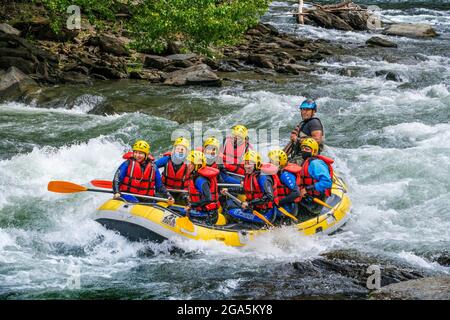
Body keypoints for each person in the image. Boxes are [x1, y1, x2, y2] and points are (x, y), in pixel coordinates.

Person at [221, 150, 278, 225]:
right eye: (245, 164)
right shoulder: (249, 175)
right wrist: (228, 190)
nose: (246, 166)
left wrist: (249, 203)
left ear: (256, 164)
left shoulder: (263, 178)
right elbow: (246, 190)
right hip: (255, 209)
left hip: (266, 214)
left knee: (232, 212)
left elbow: (269, 196)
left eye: (249, 164)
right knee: (229, 206)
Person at [113, 140, 174, 205]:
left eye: (140, 153)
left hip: (146, 198)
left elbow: (159, 186)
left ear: (146, 155)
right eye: (135, 152)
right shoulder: (127, 164)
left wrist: (168, 196)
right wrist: (116, 191)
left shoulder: (153, 167)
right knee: (134, 201)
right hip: (128, 195)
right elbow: (117, 179)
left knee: (162, 204)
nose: (137, 155)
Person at [185, 150, 221, 225]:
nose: (187, 165)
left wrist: (192, 205)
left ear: (197, 165)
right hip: (206, 212)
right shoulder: (196, 176)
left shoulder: (200, 180)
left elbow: (208, 198)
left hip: (209, 215)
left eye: (190, 163)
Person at [298, 138, 334, 214]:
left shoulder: (315, 164)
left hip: (318, 200)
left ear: (314, 151)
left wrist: (307, 189)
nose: (304, 150)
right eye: (302, 148)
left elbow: (327, 182)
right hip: (308, 197)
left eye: (307, 149)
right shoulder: (305, 162)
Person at [268, 149, 302, 222]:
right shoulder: (277, 172)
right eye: (270, 160)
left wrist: (279, 201)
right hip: (283, 206)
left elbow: (296, 193)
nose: (270, 163)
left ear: (280, 163)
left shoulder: (285, 175)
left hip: (289, 208)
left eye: (273, 162)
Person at [155, 137, 191, 203]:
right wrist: (158, 180)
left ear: (187, 152)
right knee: (157, 197)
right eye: (178, 149)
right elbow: (153, 166)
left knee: (187, 200)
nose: (180, 151)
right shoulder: (166, 159)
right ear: (174, 150)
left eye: (182, 149)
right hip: (165, 191)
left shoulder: (190, 163)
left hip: (182, 192)